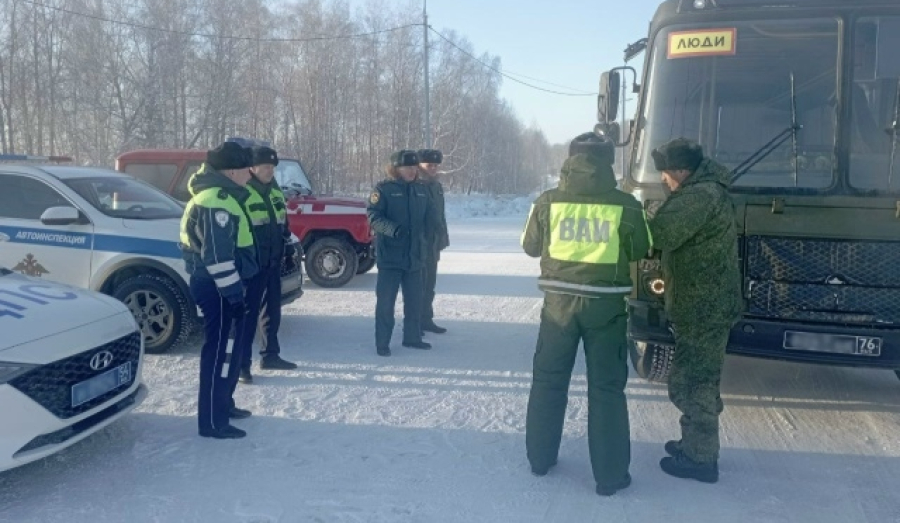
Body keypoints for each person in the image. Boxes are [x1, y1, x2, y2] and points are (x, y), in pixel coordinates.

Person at [522, 132, 651, 497]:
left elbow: (530, 247)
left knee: (548, 381)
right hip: (607, 308)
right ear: (608, 162)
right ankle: (610, 477)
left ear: (571, 158)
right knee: (607, 389)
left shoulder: (547, 201)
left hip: (558, 308)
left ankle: (540, 460)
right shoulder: (626, 205)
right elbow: (642, 247)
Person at [648, 137, 742, 483]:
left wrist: (644, 217)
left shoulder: (698, 197)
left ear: (682, 171)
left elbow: (658, 235)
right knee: (694, 377)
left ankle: (701, 459)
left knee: (695, 382)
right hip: (704, 303)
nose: (663, 180)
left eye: (666, 174)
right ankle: (694, 443)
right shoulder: (705, 191)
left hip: (704, 306)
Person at [180, 142, 258, 439]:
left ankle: (224, 404)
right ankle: (213, 421)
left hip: (224, 285)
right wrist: (234, 296)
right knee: (220, 352)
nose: (250, 175)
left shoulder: (221, 196)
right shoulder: (216, 200)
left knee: (230, 350)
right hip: (219, 288)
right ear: (232, 171)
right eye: (246, 170)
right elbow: (217, 257)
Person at [237, 145, 299, 385]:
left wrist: (287, 240)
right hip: (252, 265)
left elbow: (282, 220)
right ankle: (242, 366)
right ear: (252, 168)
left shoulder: (274, 191)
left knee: (272, 311)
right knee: (247, 316)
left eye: (272, 167)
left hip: (273, 261)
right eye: (265, 167)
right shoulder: (243, 190)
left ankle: (270, 355)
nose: (269, 171)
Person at [367, 150, 434, 356]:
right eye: (408, 168)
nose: (412, 171)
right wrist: (393, 229)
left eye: (414, 167)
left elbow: (428, 219)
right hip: (391, 257)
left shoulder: (421, 190)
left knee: (415, 301)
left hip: (415, 257)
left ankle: (412, 338)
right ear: (396, 169)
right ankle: (382, 343)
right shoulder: (383, 190)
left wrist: (430, 237)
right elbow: (373, 217)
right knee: (386, 303)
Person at [417, 148, 449, 334]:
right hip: (418, 243)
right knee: (417, 287)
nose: (433, 168)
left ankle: (426, 320)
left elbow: (440, 216)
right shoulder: (415, 185)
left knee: (430, 285)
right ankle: (414, 323)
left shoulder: (436, 186)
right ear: (420, 165)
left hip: (432, 243)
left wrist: (442, 238)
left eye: (436, 165)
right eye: (429, 165)